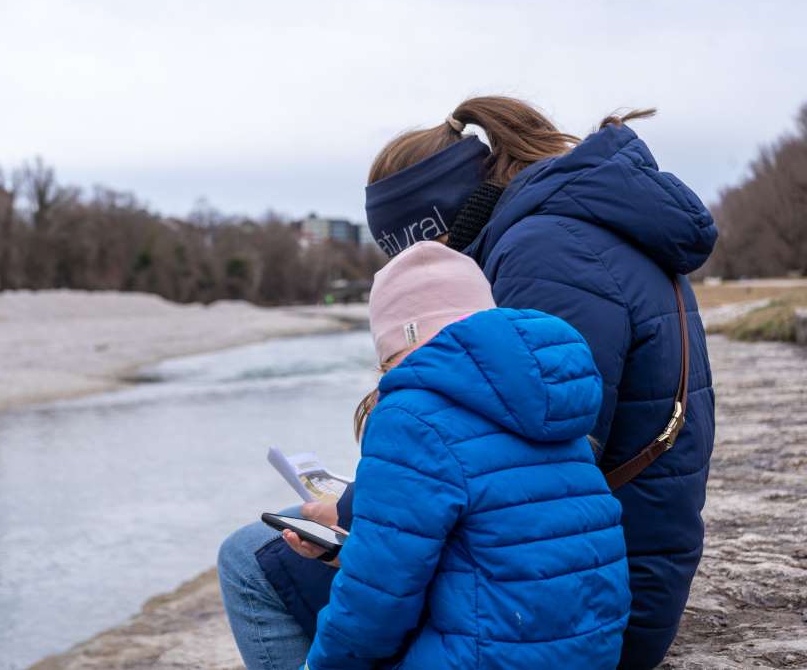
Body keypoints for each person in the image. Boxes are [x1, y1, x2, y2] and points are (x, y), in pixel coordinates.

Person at [219, 96, 717, 670]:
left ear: (437, 227)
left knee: (247, 560)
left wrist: (359, 512)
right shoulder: (583, 222)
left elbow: (535, 461)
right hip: (600, 582)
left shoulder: (545, 252)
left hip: (574, 610)